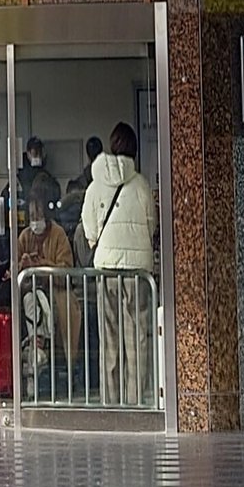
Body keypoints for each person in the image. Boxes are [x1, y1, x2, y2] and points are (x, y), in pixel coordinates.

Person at [82, 121, 158, 404]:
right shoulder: (141, 185)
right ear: (135, 150)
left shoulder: (95, 185)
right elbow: (151, 225)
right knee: (136, 338)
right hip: (137, 273)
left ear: (112, 146)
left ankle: (111, 402)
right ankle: (136, 400)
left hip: (107, 269)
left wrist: (101, 246)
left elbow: (89, 228)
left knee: (109, 340)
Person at [16, 184, 80, 387]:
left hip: (56, 292)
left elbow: (66, 271)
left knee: (59, 308)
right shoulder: (24, 237)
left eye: (39, 215)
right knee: (30, 301)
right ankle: (37, 346)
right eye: (32, 216)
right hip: (30, 293)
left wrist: (42, 265)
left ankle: (42, 349)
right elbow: (14, 273)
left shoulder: (59, 235)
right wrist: (23, 266)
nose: (35, 221)